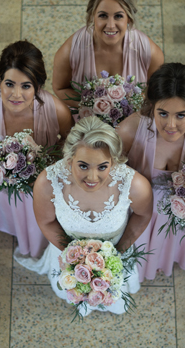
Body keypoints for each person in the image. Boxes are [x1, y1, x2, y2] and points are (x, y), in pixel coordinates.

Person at [16, 116, 153, 314]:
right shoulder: (48, 183)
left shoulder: (134, 185)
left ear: (113, 161)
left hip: (116, 251)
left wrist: (116, 255)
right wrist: (76, 262)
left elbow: (143, 215)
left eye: (102, 167)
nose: (92, 177)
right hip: (67, 252)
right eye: (83, 166)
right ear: (70, 157)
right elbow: (46, 222)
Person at [116, 63, 185, 281]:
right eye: (163, 113)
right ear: (152, 105)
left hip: (178, 213)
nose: (170, 125)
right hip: (139, 209)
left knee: (169, 242)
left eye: (181, 115)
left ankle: (163, 260)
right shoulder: (130, 130)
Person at [0, 40, 73, 258]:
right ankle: (18, 231)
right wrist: (0, 166)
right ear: (0, 80)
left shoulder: (57, 111)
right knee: (15, 210)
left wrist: (47, 166)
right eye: (9, 84)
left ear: (38, 86)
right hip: (7, 182)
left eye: (26, 86)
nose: (16, 95)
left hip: (44, 180)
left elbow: (69, 141)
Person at [52, 0, 164, 112]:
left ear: (129, 18)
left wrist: (126, 108)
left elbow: (156, 92)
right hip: (86, 120)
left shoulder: (150, 52)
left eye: (118, 16)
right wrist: (94, 107)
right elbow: (60, 88)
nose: (110, 25)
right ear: (92, 15)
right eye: (103, 16)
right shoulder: (70, 50)